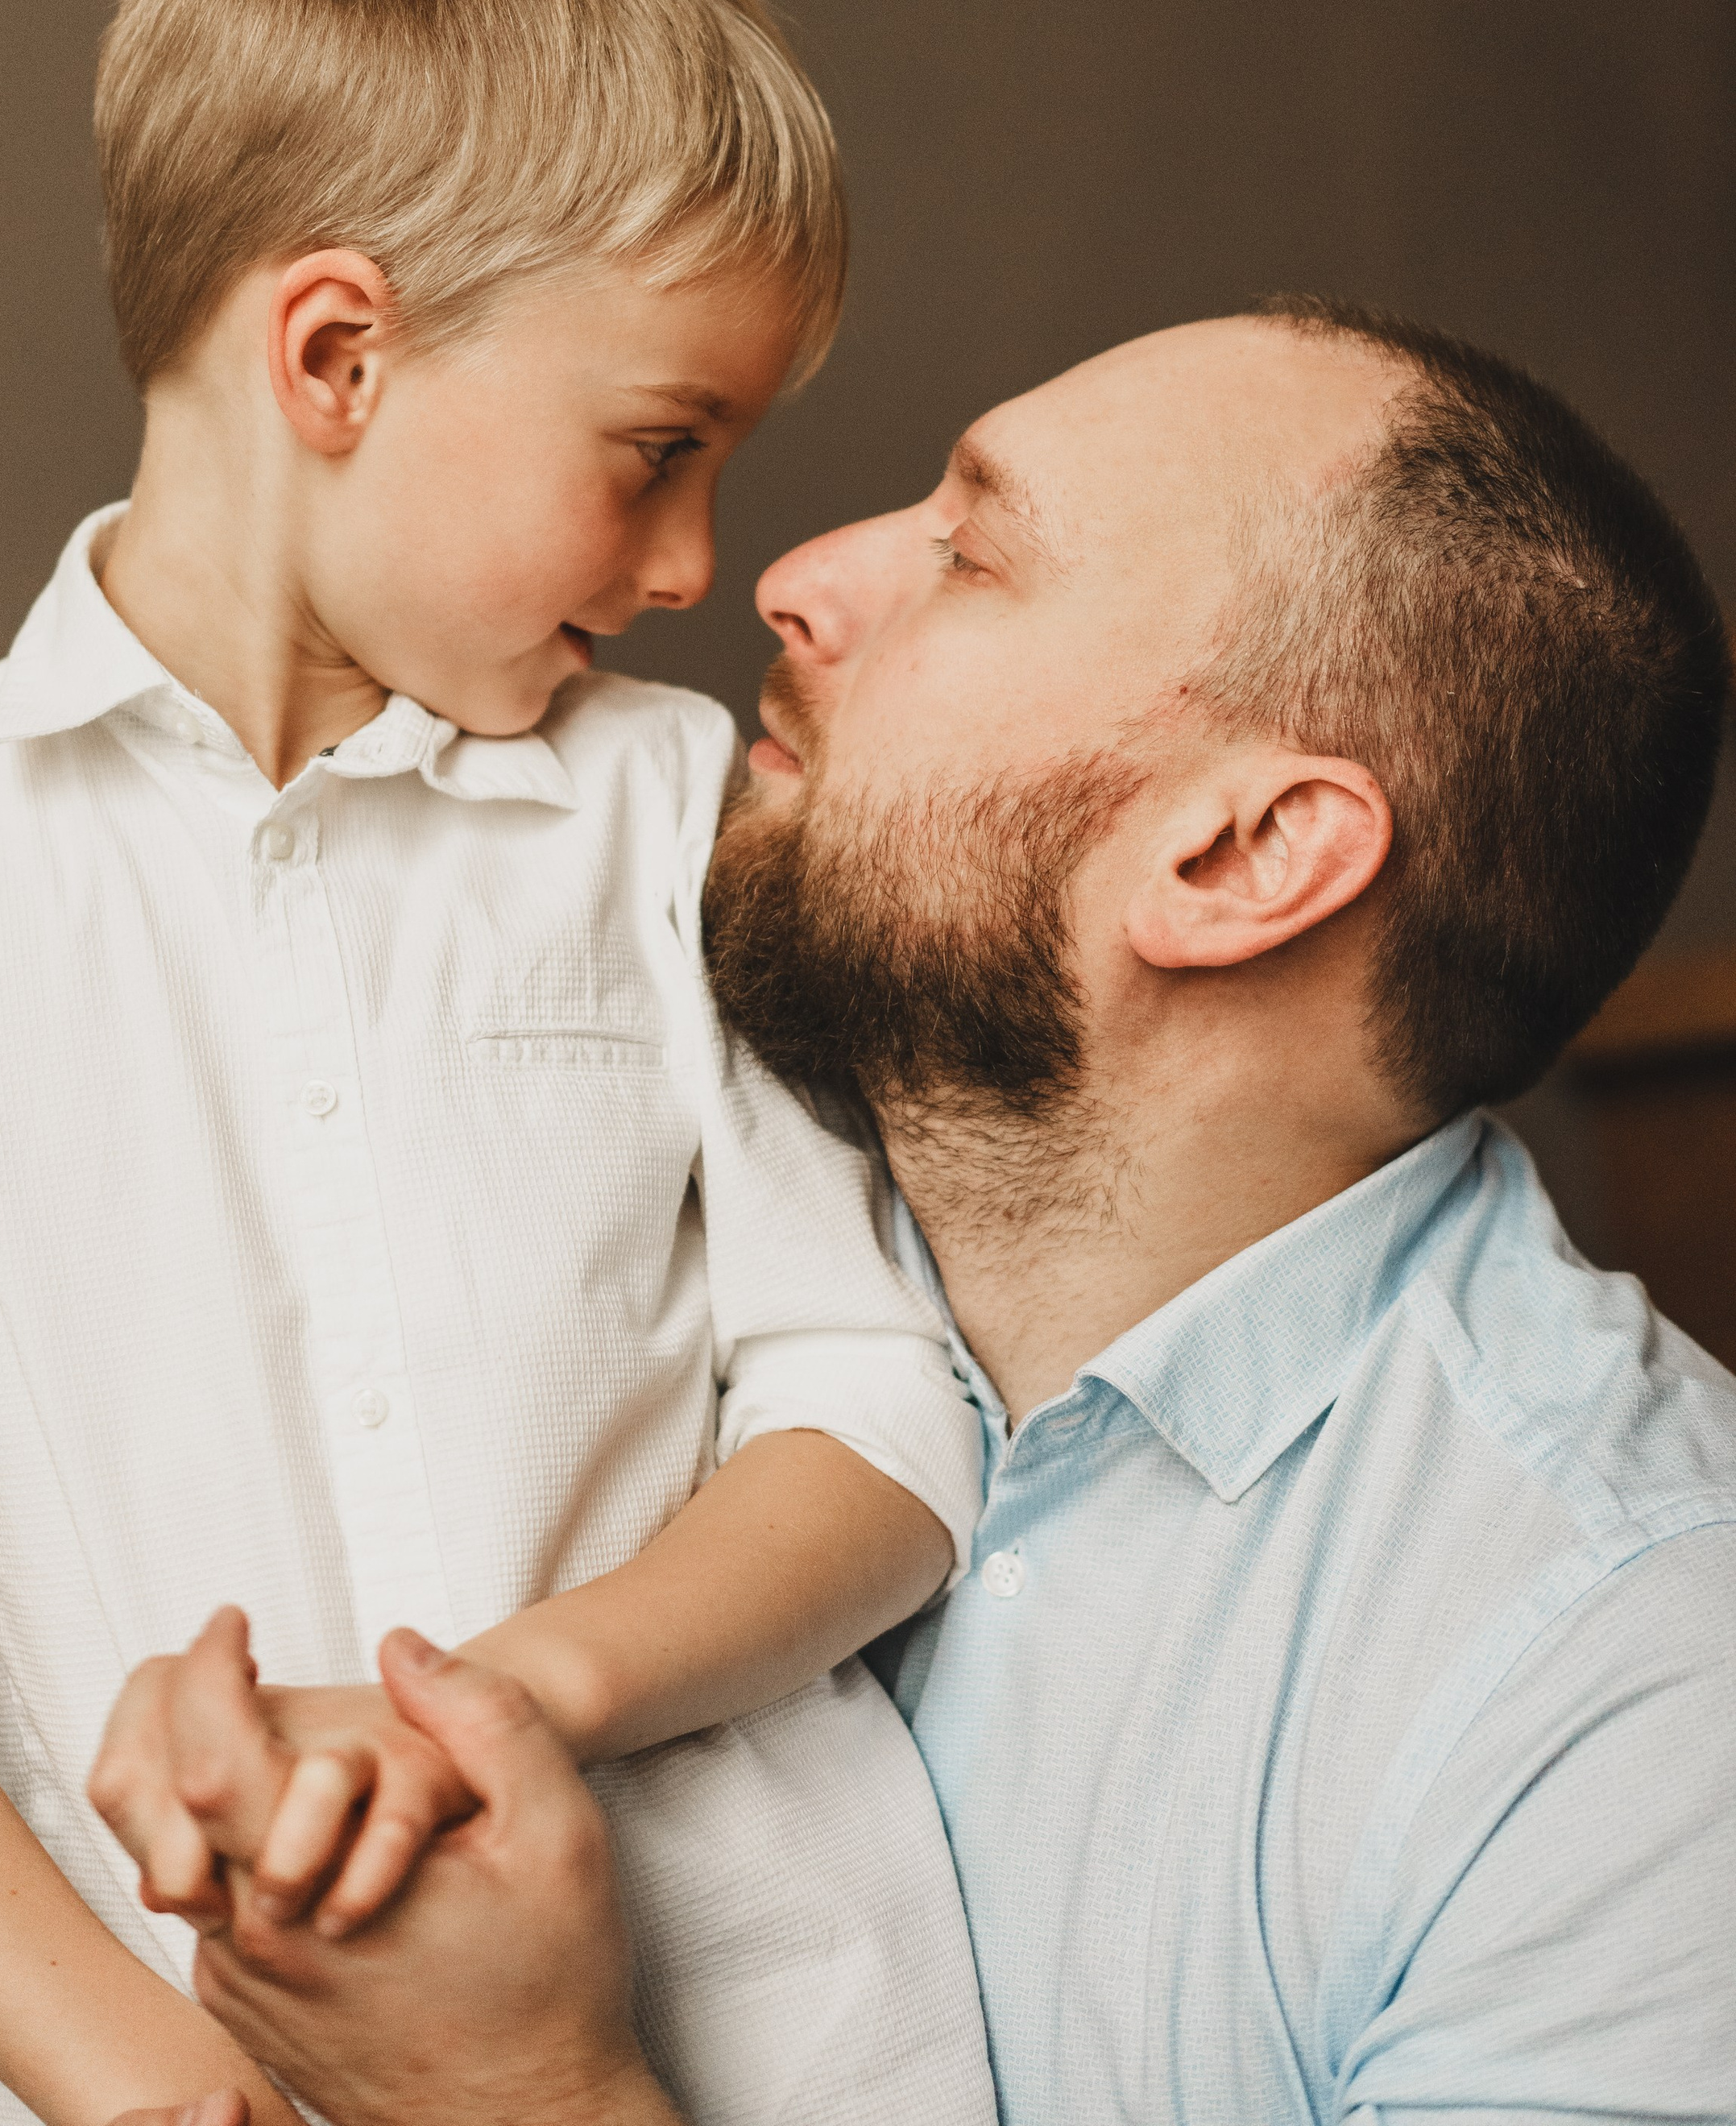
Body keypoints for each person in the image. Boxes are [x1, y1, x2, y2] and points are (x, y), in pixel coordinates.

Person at [0, 0, 996, 2126]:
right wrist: (139, 2079)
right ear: (337, 355)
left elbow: (881, 1427)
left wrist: (508, 1705)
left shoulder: (677, 808)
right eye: (657, 447)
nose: (699, 559)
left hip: (784, 2058)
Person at [99, 304, 1736, 2125]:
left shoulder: (1635, 1692)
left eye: (972, 551)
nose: (790, 577)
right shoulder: (557, 1291)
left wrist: (516, 2093)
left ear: (1236, 857)